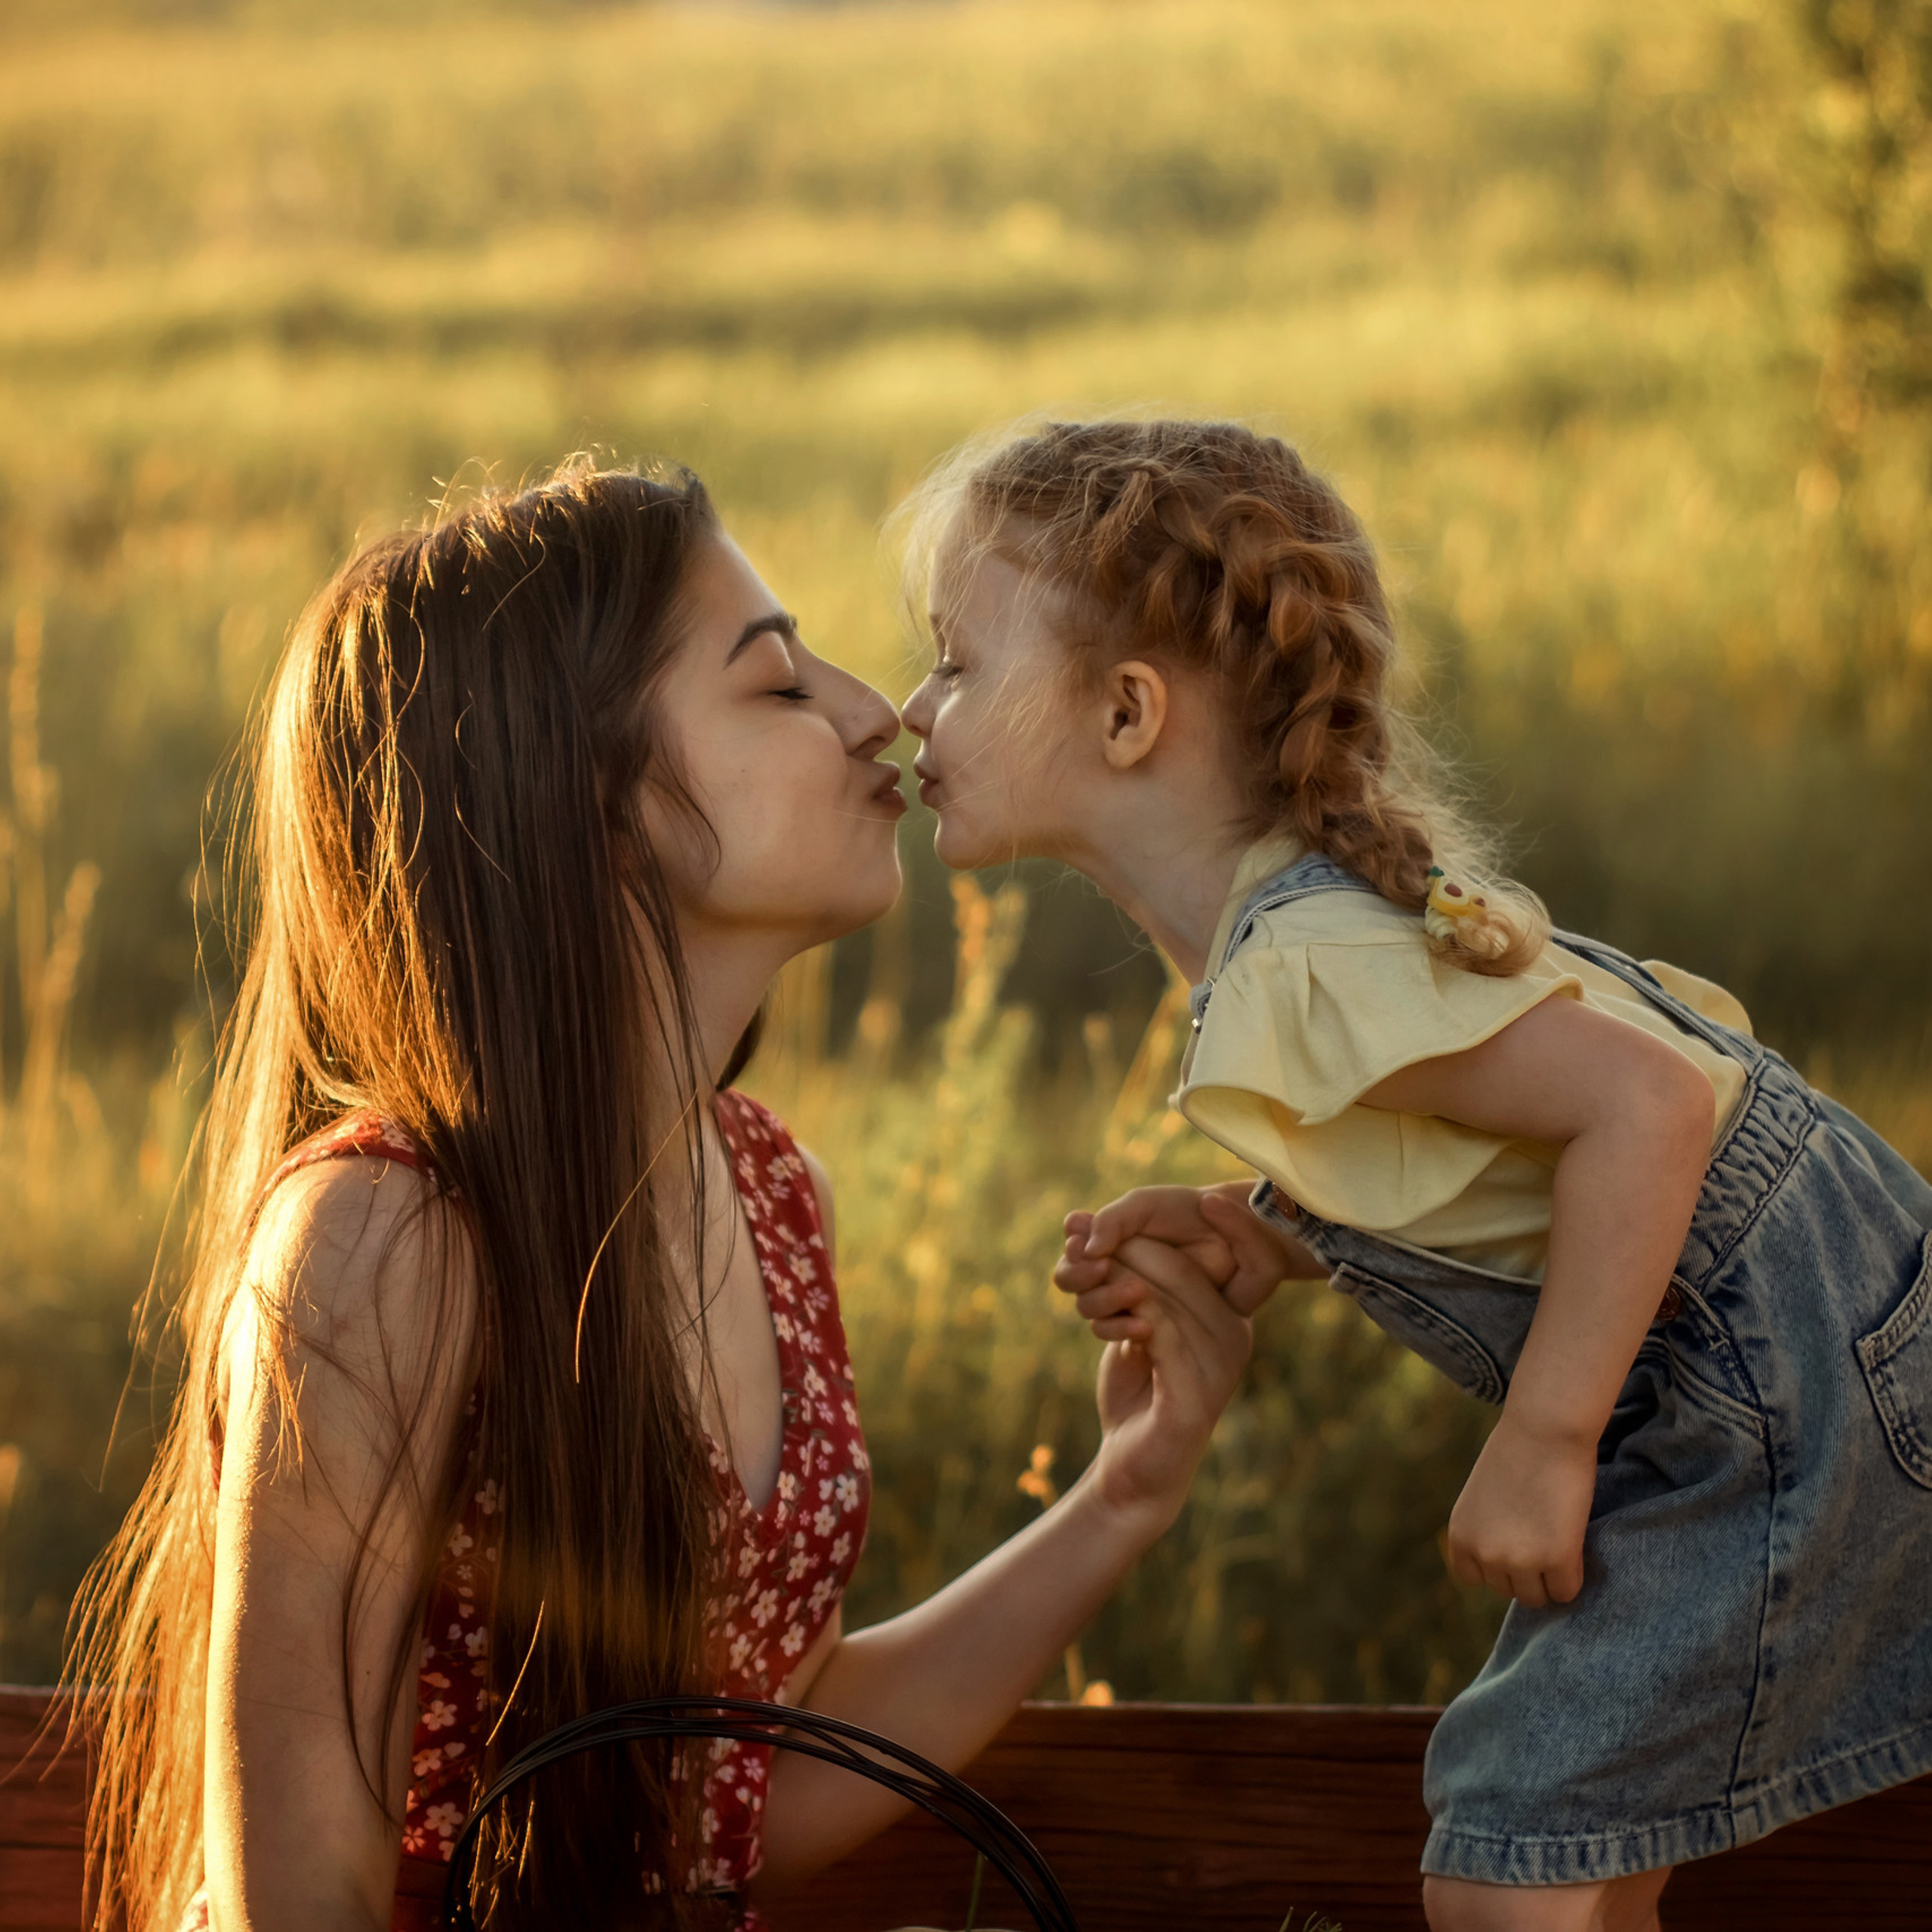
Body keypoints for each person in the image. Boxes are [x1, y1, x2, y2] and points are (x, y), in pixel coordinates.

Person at [67, 460, 1254, 1932]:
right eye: (772, 684)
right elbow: (293, 1873)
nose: (873, 710)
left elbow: (751, 1784)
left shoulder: (770, 1192)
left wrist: (1122, 1491)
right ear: (588, 793)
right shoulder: (387, 1235)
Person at [897, 417, 1932, 1932]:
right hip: (1825, 1337)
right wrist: (1275, 1228)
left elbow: (1645, 1108)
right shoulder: (1314, 925)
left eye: (952, 662)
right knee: (1566, 1852)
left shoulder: (1303, 960)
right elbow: (1496, 1145)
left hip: (1779, 1390)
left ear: (1125, 714)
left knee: (1508, 1860)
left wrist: (1545, 1434)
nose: (910, 706)